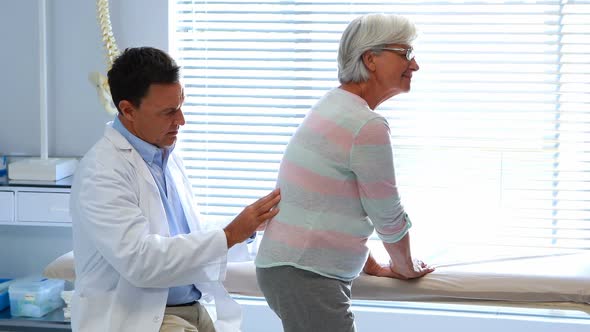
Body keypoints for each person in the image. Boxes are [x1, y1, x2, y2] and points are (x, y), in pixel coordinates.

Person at [70, 46, 280, 332]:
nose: (181, 121)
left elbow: (186, 233)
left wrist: (248, 228)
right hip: (139, 317)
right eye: (169, 112)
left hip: (189, 308)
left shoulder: (164, 155)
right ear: (128, 110)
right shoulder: (101, 171)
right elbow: (141, 261)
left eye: (181, 106)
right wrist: (230, 235)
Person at [255, 13, 434, 332]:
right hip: (304, 272)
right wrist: (405, 267)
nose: (415, 64)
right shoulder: (365, 125)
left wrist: (374, 265)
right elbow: (386, 212)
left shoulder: (335, 106)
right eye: (405, 53)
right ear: (371, 58)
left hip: (292, 269)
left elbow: (333, 203)